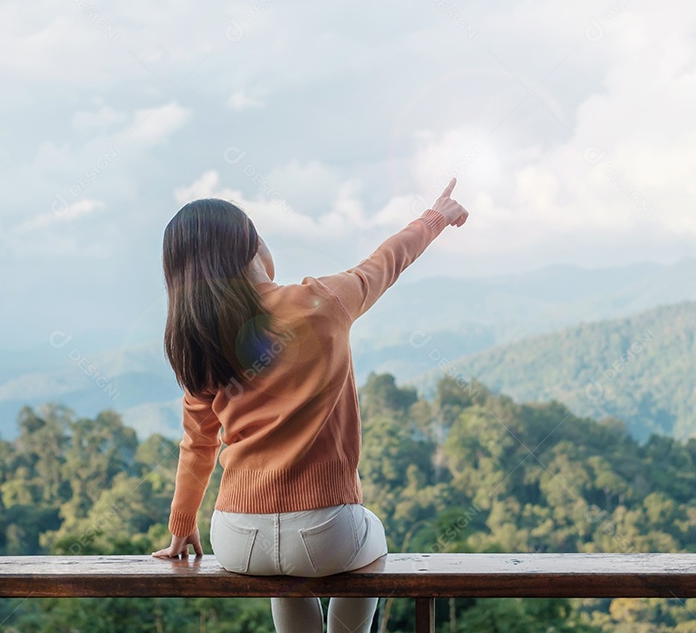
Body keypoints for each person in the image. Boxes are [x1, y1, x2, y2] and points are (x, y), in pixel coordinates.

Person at [152, 177, 469, 633]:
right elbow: (384, 263)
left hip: (237, 538)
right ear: (254, 247)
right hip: (327, 529)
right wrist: (434, 217)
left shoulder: (200, 339)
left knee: (286, 580)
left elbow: (197, 444)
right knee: (372, 537)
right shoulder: (323, 301)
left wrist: (182, 522)